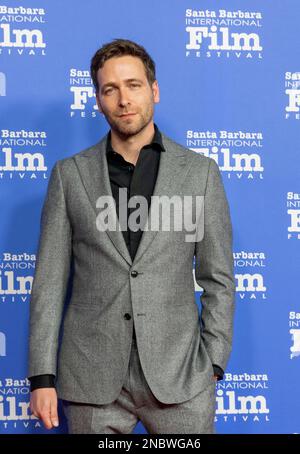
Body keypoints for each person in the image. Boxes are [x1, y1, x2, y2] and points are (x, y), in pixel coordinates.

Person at [28, 38, 235, 434]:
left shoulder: (200, 174)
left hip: (181, 379)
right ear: (99, 100)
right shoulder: (69, 176)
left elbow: (218, 277)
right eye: (111, 89)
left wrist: (213, 361)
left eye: (133, 85)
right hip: (92, 379)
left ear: (153, 90)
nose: (124, 99)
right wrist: (42, 377)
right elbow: (48, 284)